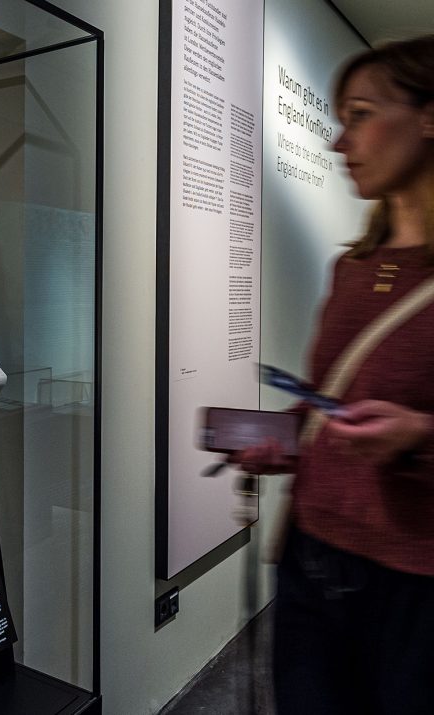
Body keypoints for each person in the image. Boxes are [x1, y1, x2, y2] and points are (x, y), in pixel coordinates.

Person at [235, 35, 434, 713]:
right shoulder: (352, 269)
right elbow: (330, 401)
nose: (339, 142)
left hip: (417, 579)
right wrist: (283, 438)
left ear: (428, 117)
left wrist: (420, 435)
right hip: (313, 555)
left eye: (361, 115)